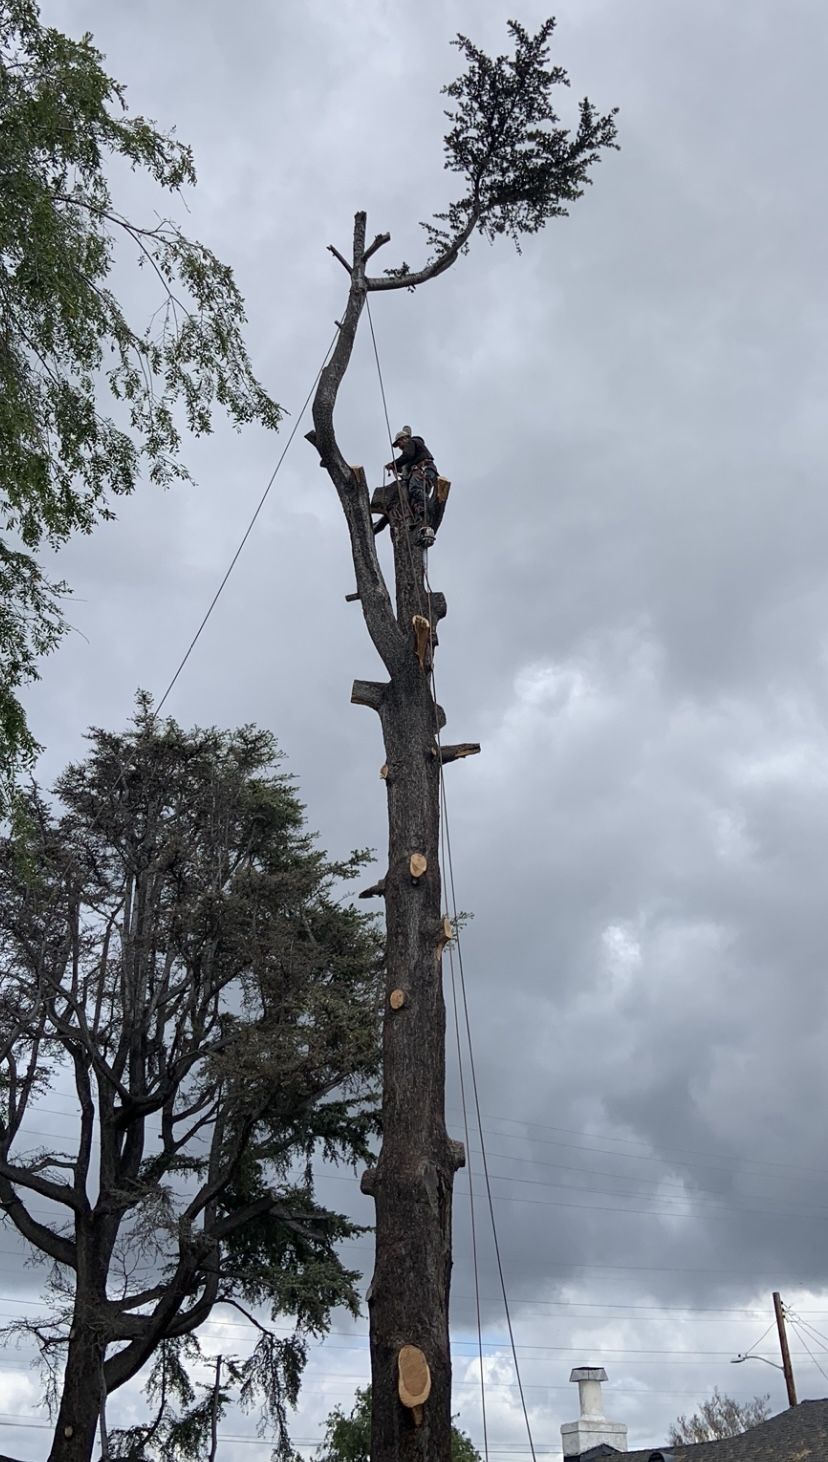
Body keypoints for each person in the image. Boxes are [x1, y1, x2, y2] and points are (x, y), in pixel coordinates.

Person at [384, 426, 439, 528]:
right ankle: (421, 520)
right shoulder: (415, 449)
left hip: (424, 470)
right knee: (414, 498)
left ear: (404, 439)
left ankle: (429, 511)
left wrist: (393, 464)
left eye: (399, 443)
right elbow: (408, 461)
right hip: (425, 472)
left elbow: (407, 456)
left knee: (415, 489)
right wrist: (398, 468)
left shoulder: (411, 442)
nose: (399, 447)